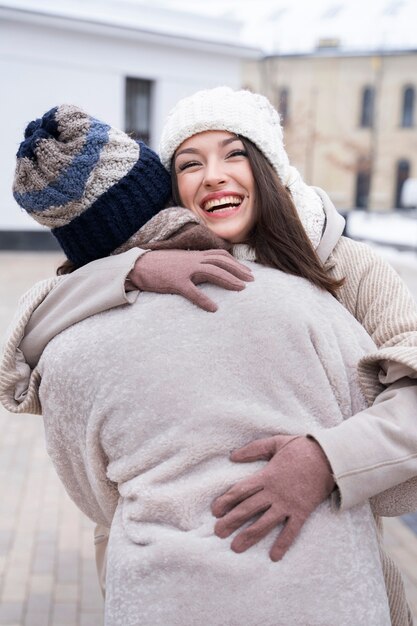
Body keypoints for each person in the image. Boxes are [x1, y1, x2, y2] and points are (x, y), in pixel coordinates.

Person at [1, 90, 417, 624]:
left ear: (267, 165)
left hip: (326, 570)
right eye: (190, 164)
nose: (213, 175)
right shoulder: (160, 269)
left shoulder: (339, 262)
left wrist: (327, 458)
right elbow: (36, 331)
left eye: (234, 154)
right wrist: (129, 272)